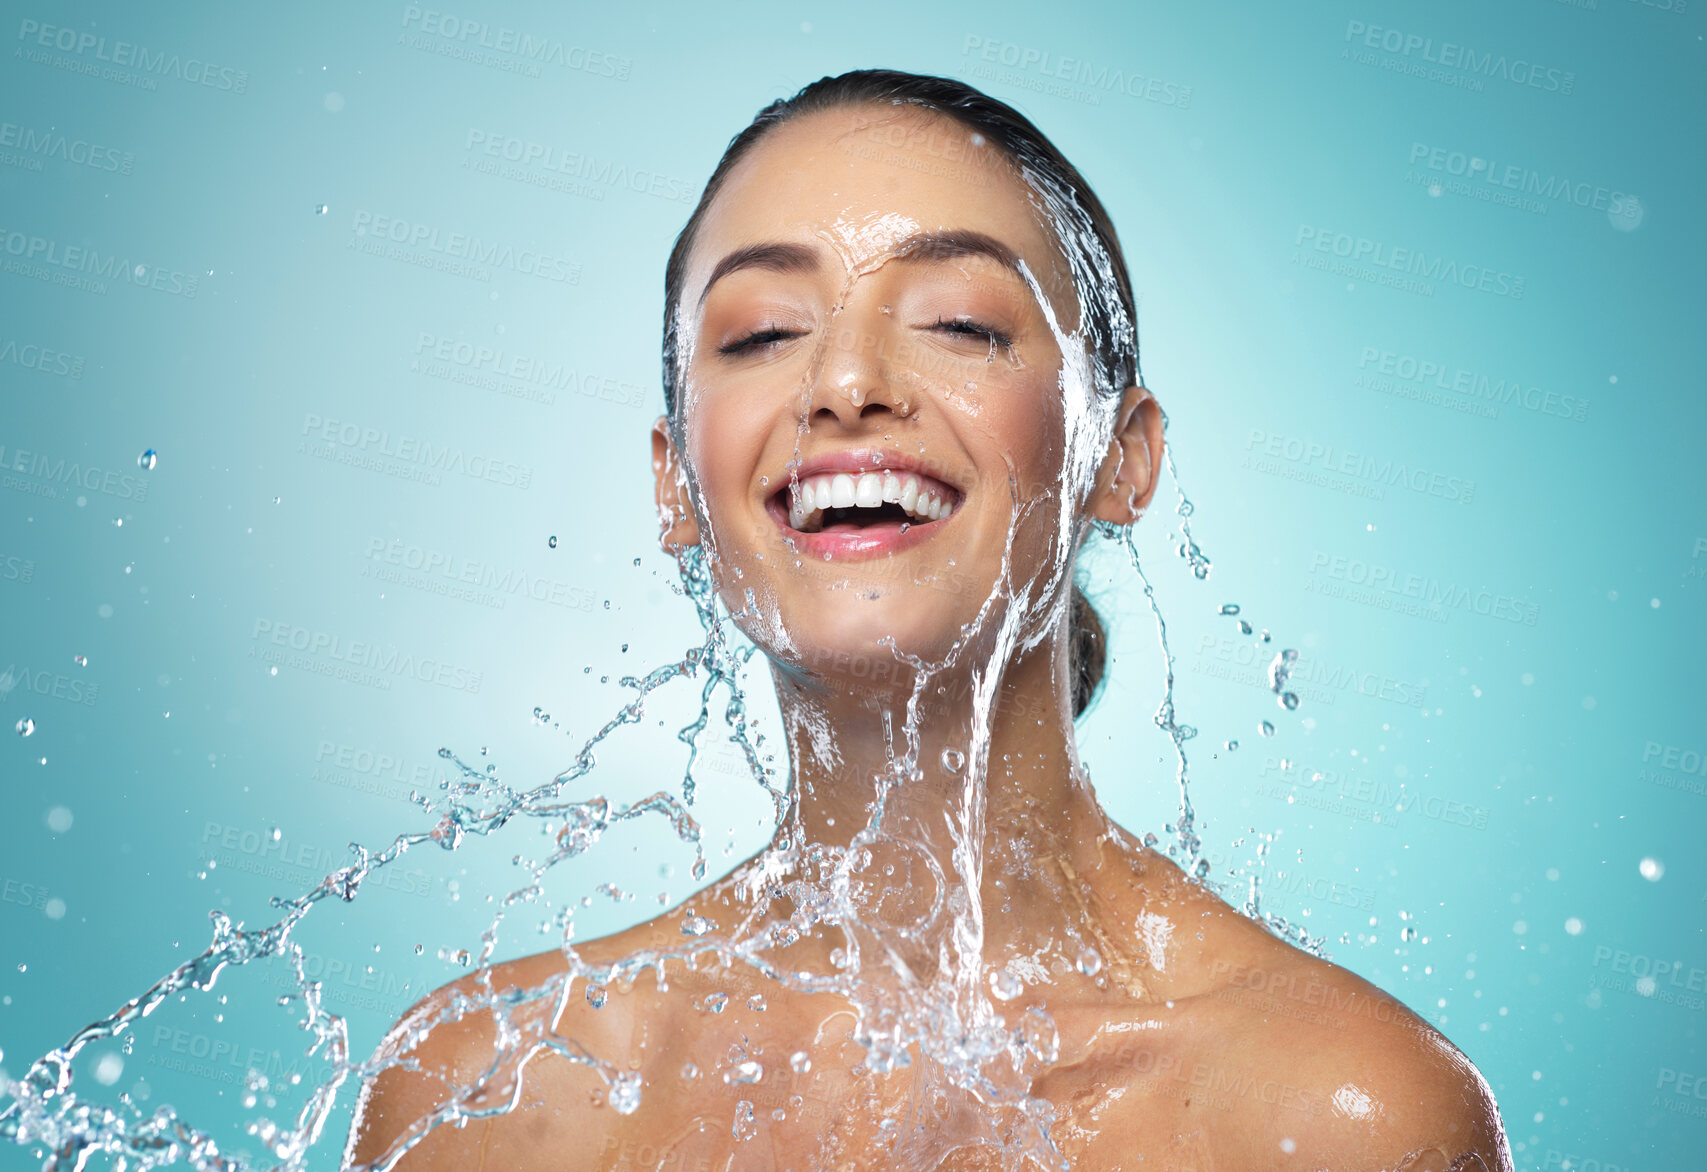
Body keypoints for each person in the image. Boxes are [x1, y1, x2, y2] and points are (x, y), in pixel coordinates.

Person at [346, 70, 1510, 1171]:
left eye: (959, 322)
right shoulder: (495, 1096)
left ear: (1121, 456)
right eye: (761, 333)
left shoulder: (1335, 1113)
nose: (846, 382)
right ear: (675, 482)